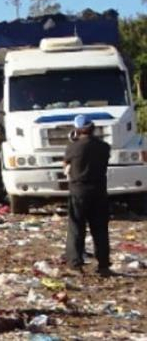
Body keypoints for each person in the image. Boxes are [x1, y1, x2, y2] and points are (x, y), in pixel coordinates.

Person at [63, 115, 111, 275]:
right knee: (100, 229)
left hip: (79, 191)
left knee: (76, 227)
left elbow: (66, 164)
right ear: (93, 128)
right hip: (99, 191)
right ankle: (103, 265)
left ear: (77, 129)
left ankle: (75, 263)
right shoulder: (104, 147)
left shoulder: (73, 148)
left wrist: (73, 141)